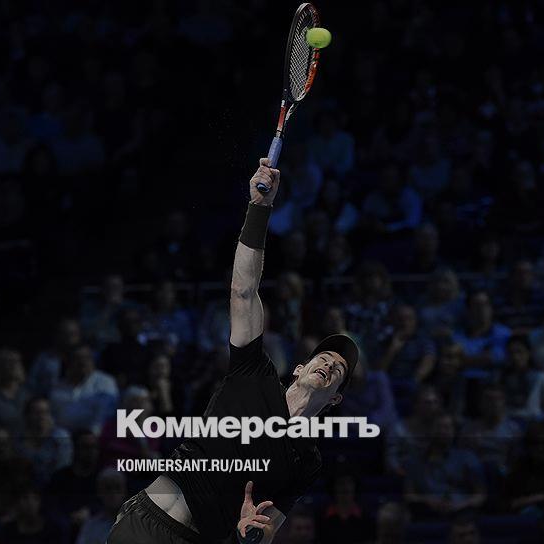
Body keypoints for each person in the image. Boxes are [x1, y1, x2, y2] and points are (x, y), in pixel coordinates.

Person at [108, 159, 359, 543]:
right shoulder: (254, 372)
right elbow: (243, 291)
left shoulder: (307, 461)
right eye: (323, 357)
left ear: (336, 397)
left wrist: (251, 533)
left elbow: (269, 528)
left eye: (339, 368)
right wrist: (259, 208)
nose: (329, 363)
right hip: (148, 523)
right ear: (298, 368)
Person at [403, 414, 487, 518]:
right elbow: (409, 496)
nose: (442, 431)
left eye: (447, 427)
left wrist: (460, 505)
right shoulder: (414, 462)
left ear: (454, 432)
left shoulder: (468, 458)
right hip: (426, 512)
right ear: (429, 430)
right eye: (438, 427)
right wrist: (427, 501)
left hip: (461, 512)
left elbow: (480, 496)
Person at [49, 344, 118, 433]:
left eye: (87, 358)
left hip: (95, 435)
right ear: (68, 361)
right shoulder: (57, 387)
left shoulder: (105, 382)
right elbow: (53, 417)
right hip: (64, 435)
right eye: (77, 358)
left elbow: (105, 415)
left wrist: (92, 433)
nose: (82, 362)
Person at [76, 469, 128, 544]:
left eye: (117, 488)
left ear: (124, 492)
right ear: (100, 492)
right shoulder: (90, 526)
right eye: (108, 488)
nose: (113, 493)